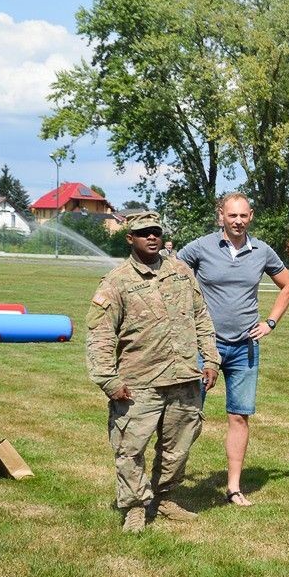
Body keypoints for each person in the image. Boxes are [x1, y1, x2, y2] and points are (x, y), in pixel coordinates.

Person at [85, 212, 221, 533]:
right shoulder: (116, 281)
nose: (151, 237)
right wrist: (108, 379)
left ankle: (165, 498)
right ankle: (134, 505)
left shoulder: (181, 271)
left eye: (156, 231)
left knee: (178, 446)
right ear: (129, 238)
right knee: (130, 447)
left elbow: (201, 317)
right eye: (143, 232)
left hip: (185, 377)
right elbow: (100, 335)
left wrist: (211, 359)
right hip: (138, 383)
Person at [177, 192, 289, 507]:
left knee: (239, 417)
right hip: (206, 347)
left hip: (245, 347)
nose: (238, 221)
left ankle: (233, 487)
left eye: (243, 216)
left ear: (251, 216)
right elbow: (171, 274)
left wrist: (270, 323)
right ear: (222, 217)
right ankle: (171, 482)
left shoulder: (262, 251)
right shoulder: (201, 247)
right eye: (232, 216)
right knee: (188, 414)